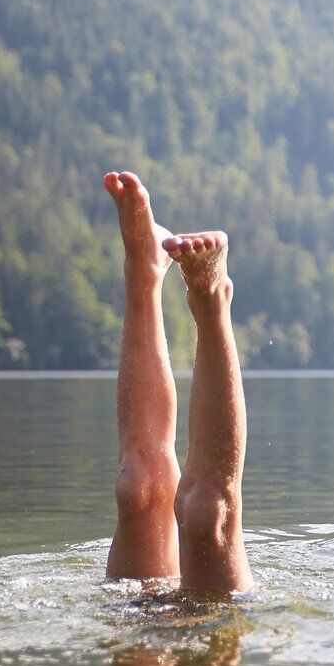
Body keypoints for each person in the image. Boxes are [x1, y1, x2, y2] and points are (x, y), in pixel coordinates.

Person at [102, 171, 253, 594]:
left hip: (202, 622)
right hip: (141, 615)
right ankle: (145, 267)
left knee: (207, 513)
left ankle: (211, 296)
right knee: (138, 482)